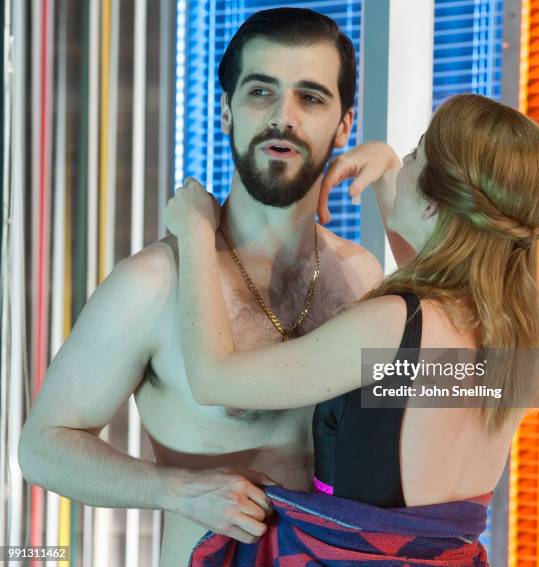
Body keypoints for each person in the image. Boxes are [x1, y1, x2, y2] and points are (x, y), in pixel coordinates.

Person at [17, 8, 383, 566]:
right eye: (261, 91)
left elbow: (469, 382)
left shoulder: (362, 275)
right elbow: (42, 448)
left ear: (344, 125)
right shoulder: (156, 282)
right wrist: (178, 490)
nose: (283, 117)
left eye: (310, 97)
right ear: (225, 112)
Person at [164, 93, 539, 565]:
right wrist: (390, 171)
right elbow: (426, 351)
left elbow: (214, 379)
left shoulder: (389, 326)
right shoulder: (526, 336)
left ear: (436, 205)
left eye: (417, 153)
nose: (405, 162)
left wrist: (193, 233)